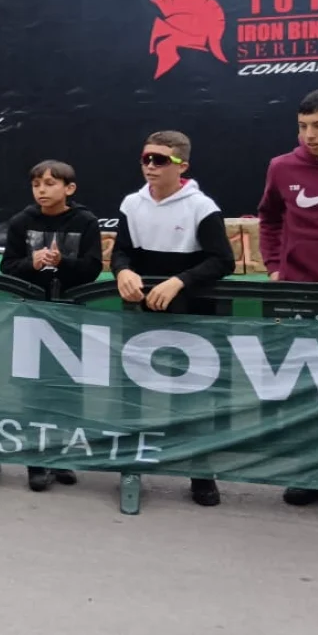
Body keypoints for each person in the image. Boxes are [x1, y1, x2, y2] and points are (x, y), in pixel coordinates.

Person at [111, 130, 235, 507]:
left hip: (192, 316)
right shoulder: (132, 203)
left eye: (160, 160)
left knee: (195, 397)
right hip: (141, 313)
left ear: (182, 165)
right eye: (146, 158)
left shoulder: (201, 206)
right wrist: (122, 271)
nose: (150, 165)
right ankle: (133, 466)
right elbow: (121, 252)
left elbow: (222, 260)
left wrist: (180, 281)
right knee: (134, 393)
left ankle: (201, 472)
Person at [257, 88, 318, 516]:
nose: (308, 136)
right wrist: (276, 266)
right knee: (307, 390)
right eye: (302, 127)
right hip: (299, 294)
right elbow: (270, 219)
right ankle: (308, 472)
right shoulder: (282, 167)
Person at [0, 159, 104, 491]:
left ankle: (62, 456)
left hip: (72, 317)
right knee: (34, 388)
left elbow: (92, 269)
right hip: (33, 316)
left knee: (68, 389)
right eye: (36, 185)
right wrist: (32, 262)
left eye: (49, 183)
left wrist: (64, 262)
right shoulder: (20, 222)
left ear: (69, 189)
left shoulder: (85, 222)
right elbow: (8, 267)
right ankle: (36, 460)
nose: (42, 190)